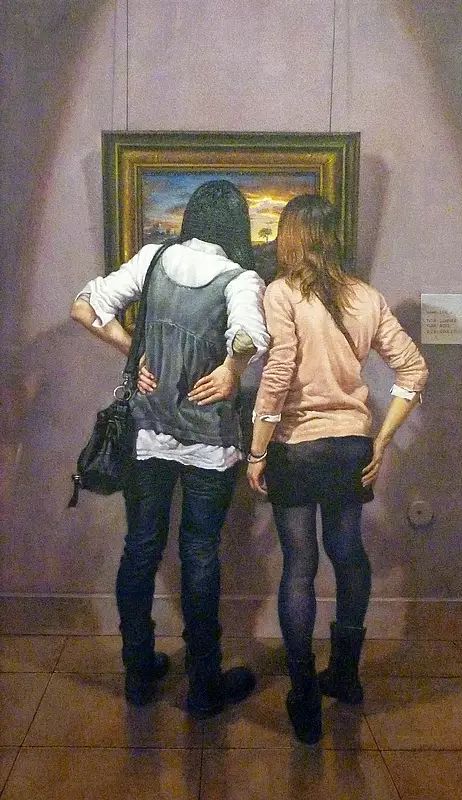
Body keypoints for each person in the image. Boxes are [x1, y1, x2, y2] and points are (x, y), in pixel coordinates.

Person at [71, 180, 269, 716]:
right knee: (200, 553)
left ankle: (138, 674)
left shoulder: (154, 258)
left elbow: (84, 307)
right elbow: (250, 335)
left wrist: (132, 349)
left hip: (147, 433)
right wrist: (232, 369)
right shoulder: (240, 277)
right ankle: (204, 686)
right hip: (208, 441)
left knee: (140, 548)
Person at [247, 194, 428, 744]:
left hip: (297, 445)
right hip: (351, 444)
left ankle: (304, 692)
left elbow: (278, 372)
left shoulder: (281, 293)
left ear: (291, 237)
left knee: (299, 566)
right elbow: (413, 371)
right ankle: (345, 674)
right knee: (348, 555)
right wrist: (382, 440)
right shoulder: (367, 298)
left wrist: (257, 450)